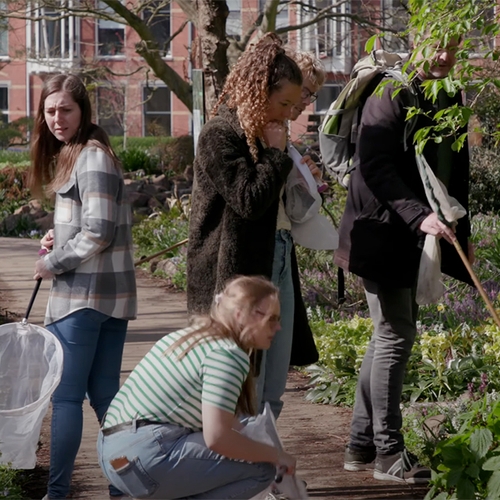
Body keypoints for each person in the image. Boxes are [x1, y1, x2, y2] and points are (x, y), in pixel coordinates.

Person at [334, 37, 473, 483]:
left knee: (386, 336)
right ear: (420, 42)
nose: (446, 56)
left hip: (409, 234)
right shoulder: (390, 92)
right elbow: (374, 165)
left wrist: (462, 235)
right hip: (378, 233)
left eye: (455, 46)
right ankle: (388, 454)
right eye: (439, 46)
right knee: (396, 334)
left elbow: (454, 172)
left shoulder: (446, 94)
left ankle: (360, 446)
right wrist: (421, 217)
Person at [29, 74, 137, 499]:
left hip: (82, 300)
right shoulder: (84, 154)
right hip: (108, 298)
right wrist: (57, 235)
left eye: (66, 110)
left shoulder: (90, 157)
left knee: (68, 400)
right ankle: (124, 489)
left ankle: (57, 495)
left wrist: (50, 264)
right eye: (51, 110)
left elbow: (98, 233)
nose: (57, 118)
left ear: (82, 111)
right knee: (107, 398)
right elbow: (88, 226)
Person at [98, 275, 296, 500]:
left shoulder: (191, 336)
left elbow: (227, 422)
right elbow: (218, 438)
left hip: (114, 456)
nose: (278, 327)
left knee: (248, 439)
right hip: (144, 458)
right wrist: (277, 455)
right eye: (271, 319)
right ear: (242, 315)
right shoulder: (227, 355)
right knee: (262, 469)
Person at [186, 33, 302, 316]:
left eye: (293, 105)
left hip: (276, 252)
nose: (288, 114)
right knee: (244, 359)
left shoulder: (266, 133)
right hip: (232, 276)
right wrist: (275, 155)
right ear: (260, 92)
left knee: (276, 358)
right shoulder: (219, 133)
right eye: (284, 103)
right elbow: (248, 201)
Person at [255, 49, 330, 418]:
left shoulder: (282, 134)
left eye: (311, 94)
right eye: (304, 92)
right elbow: (254, 197)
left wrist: (309, 183)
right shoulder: (263, 134)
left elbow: (289, 203)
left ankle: (264, 460)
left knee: (275, 372)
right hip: (265, 251)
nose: (305, 103)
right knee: (258, 370)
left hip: (283, 245)